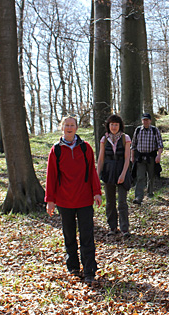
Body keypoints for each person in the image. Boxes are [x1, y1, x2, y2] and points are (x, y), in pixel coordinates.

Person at [45, 116, 102, 284]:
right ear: (62, 127)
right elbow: (51, 176)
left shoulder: (86, 148)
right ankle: (73, 267)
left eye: (72, 125)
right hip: (64, 201)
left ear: (77, 128)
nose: (69, 128)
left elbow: (92, 171)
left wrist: (97, 192)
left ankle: (90, 270)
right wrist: (50, 200)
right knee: (69, 236)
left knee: (87, 236)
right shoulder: (56, 150)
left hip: (84, 199)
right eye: (66, 125)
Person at [97, 115, 132, 238]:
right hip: (108, 172)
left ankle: (124, 229)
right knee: (110, 202)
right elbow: (101, 159)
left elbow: (128, 158)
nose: (114, 127)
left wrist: (123, 174)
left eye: (116, 124)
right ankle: (112, 227)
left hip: (122, 171)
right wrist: (97, 175)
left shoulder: (125, 138)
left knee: (122, 202)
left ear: (120, 126)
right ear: (108, 125)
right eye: (112, 124)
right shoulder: (104, 139)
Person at [131, 113, 164, 205]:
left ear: (150, 121)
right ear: (142, 121)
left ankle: (150, 192)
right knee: (140, 177)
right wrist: (132, 156)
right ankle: (138, 197)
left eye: (147, 120)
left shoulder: (154, 130)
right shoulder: (138, 130)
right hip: (140, 157)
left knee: (151, 175)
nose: (145, 121)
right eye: (144, 120)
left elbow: (160, 144)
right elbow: (133, 145)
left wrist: (159, 155)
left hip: (151, 157)